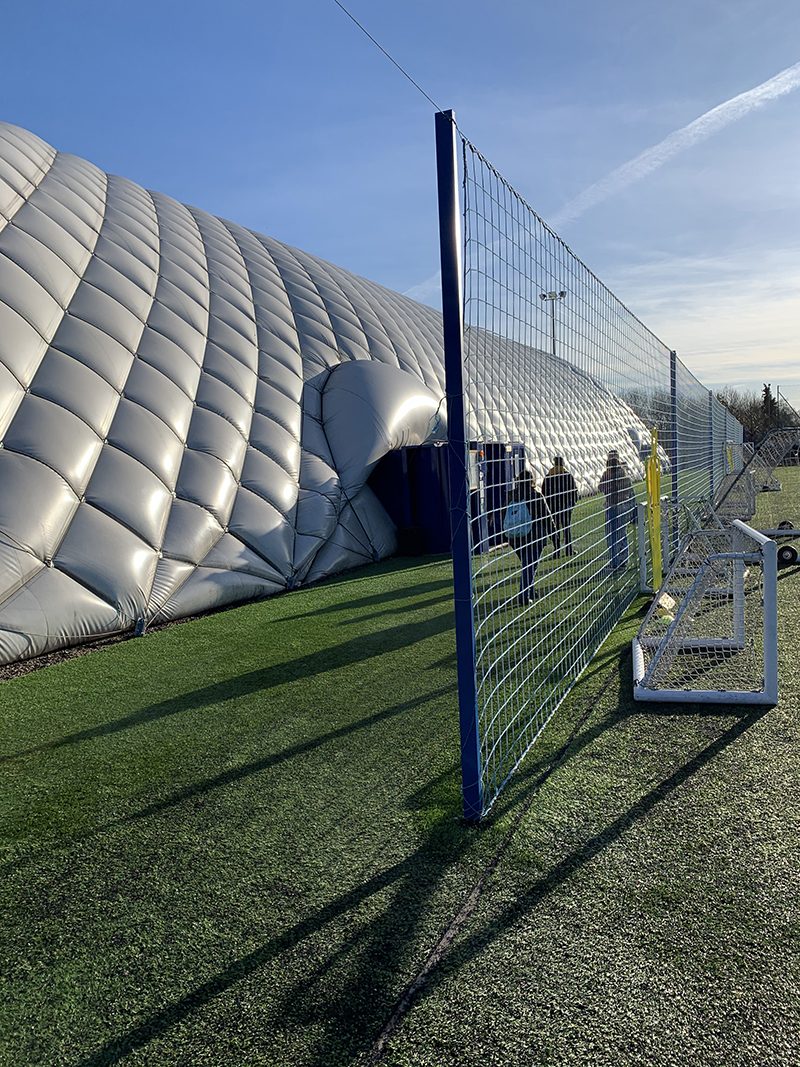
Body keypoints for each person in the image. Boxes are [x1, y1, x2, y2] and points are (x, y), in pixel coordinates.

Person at [504, 471, 555, 604]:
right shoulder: (536, 495)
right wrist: (554, 535)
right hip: (534, 536)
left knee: (527, 564)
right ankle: (523, 595)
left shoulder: (510, 495)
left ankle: (531, 590)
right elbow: (546, 516)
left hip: (515, 537)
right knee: (530, 565)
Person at [599, 450, 636, 572]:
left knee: (612, 535)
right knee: (621, 534)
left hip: (613, 506)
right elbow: (630, 491)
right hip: (622, 506)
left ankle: (615, 561)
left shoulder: (609, 474)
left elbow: (601, 487)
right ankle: (622, 560)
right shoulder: (623, 473)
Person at [542, 456, 578, 558]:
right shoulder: (567, 475)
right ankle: (568, 550)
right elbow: (574, 490)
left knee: (555, 529)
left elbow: (544, 492)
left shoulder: (549, 476)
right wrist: (573, 503)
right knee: (567, 529)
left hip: (553, 507)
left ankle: (556, 551)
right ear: (563, 463)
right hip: (566, 506)